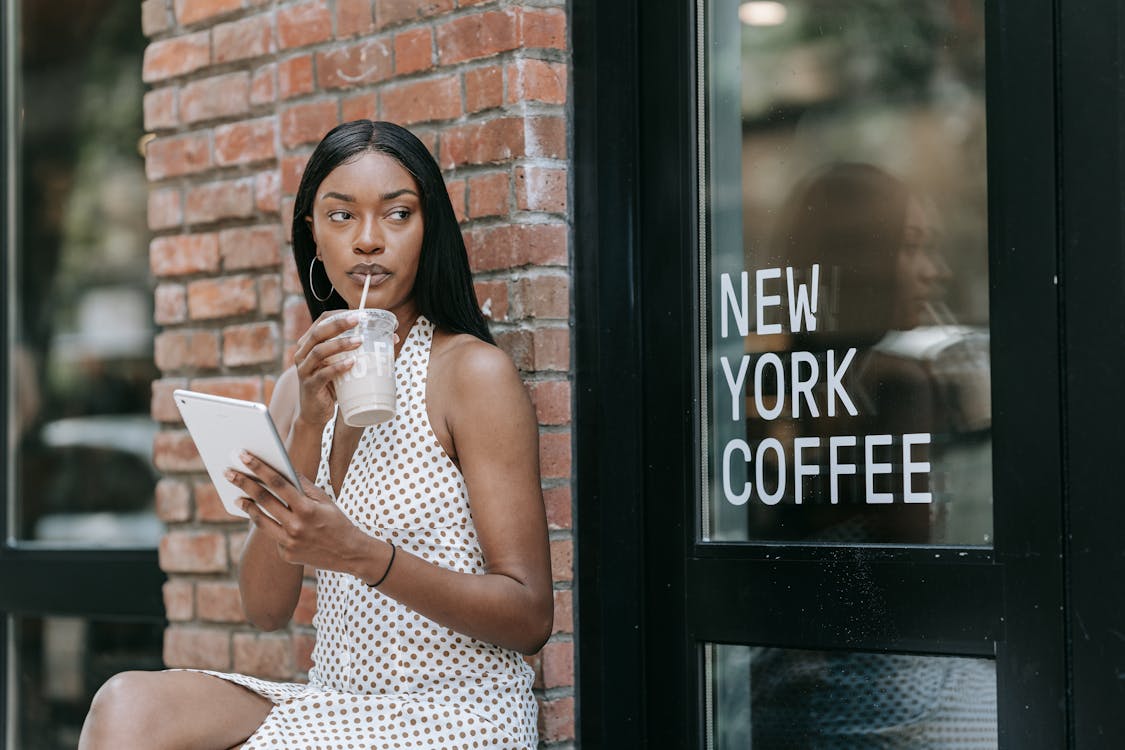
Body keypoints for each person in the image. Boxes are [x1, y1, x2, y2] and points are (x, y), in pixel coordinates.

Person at [79, 120, 553, 749]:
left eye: (398, 214)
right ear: (314, 235)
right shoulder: (295, 392)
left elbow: (529, 616)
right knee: (126, 705)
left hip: (455, 708)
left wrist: (361, 554)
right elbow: (265, 610)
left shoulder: (470, 374)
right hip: (339, 701)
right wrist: (305, 422)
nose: (368, 239)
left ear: (428, 229)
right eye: (341, 216)